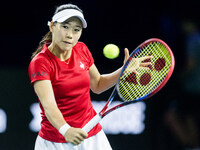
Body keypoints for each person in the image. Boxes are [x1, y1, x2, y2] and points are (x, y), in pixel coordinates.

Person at [28, 3, 150, 150]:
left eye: (76, 29)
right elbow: (49, 105)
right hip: (55, 142)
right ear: (52, 26)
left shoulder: (82, 49)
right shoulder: (40, 63)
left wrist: (123, 71)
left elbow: (97, 85)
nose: (70, 35)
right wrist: (66, 130)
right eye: (65, 27)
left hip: (92, 136)